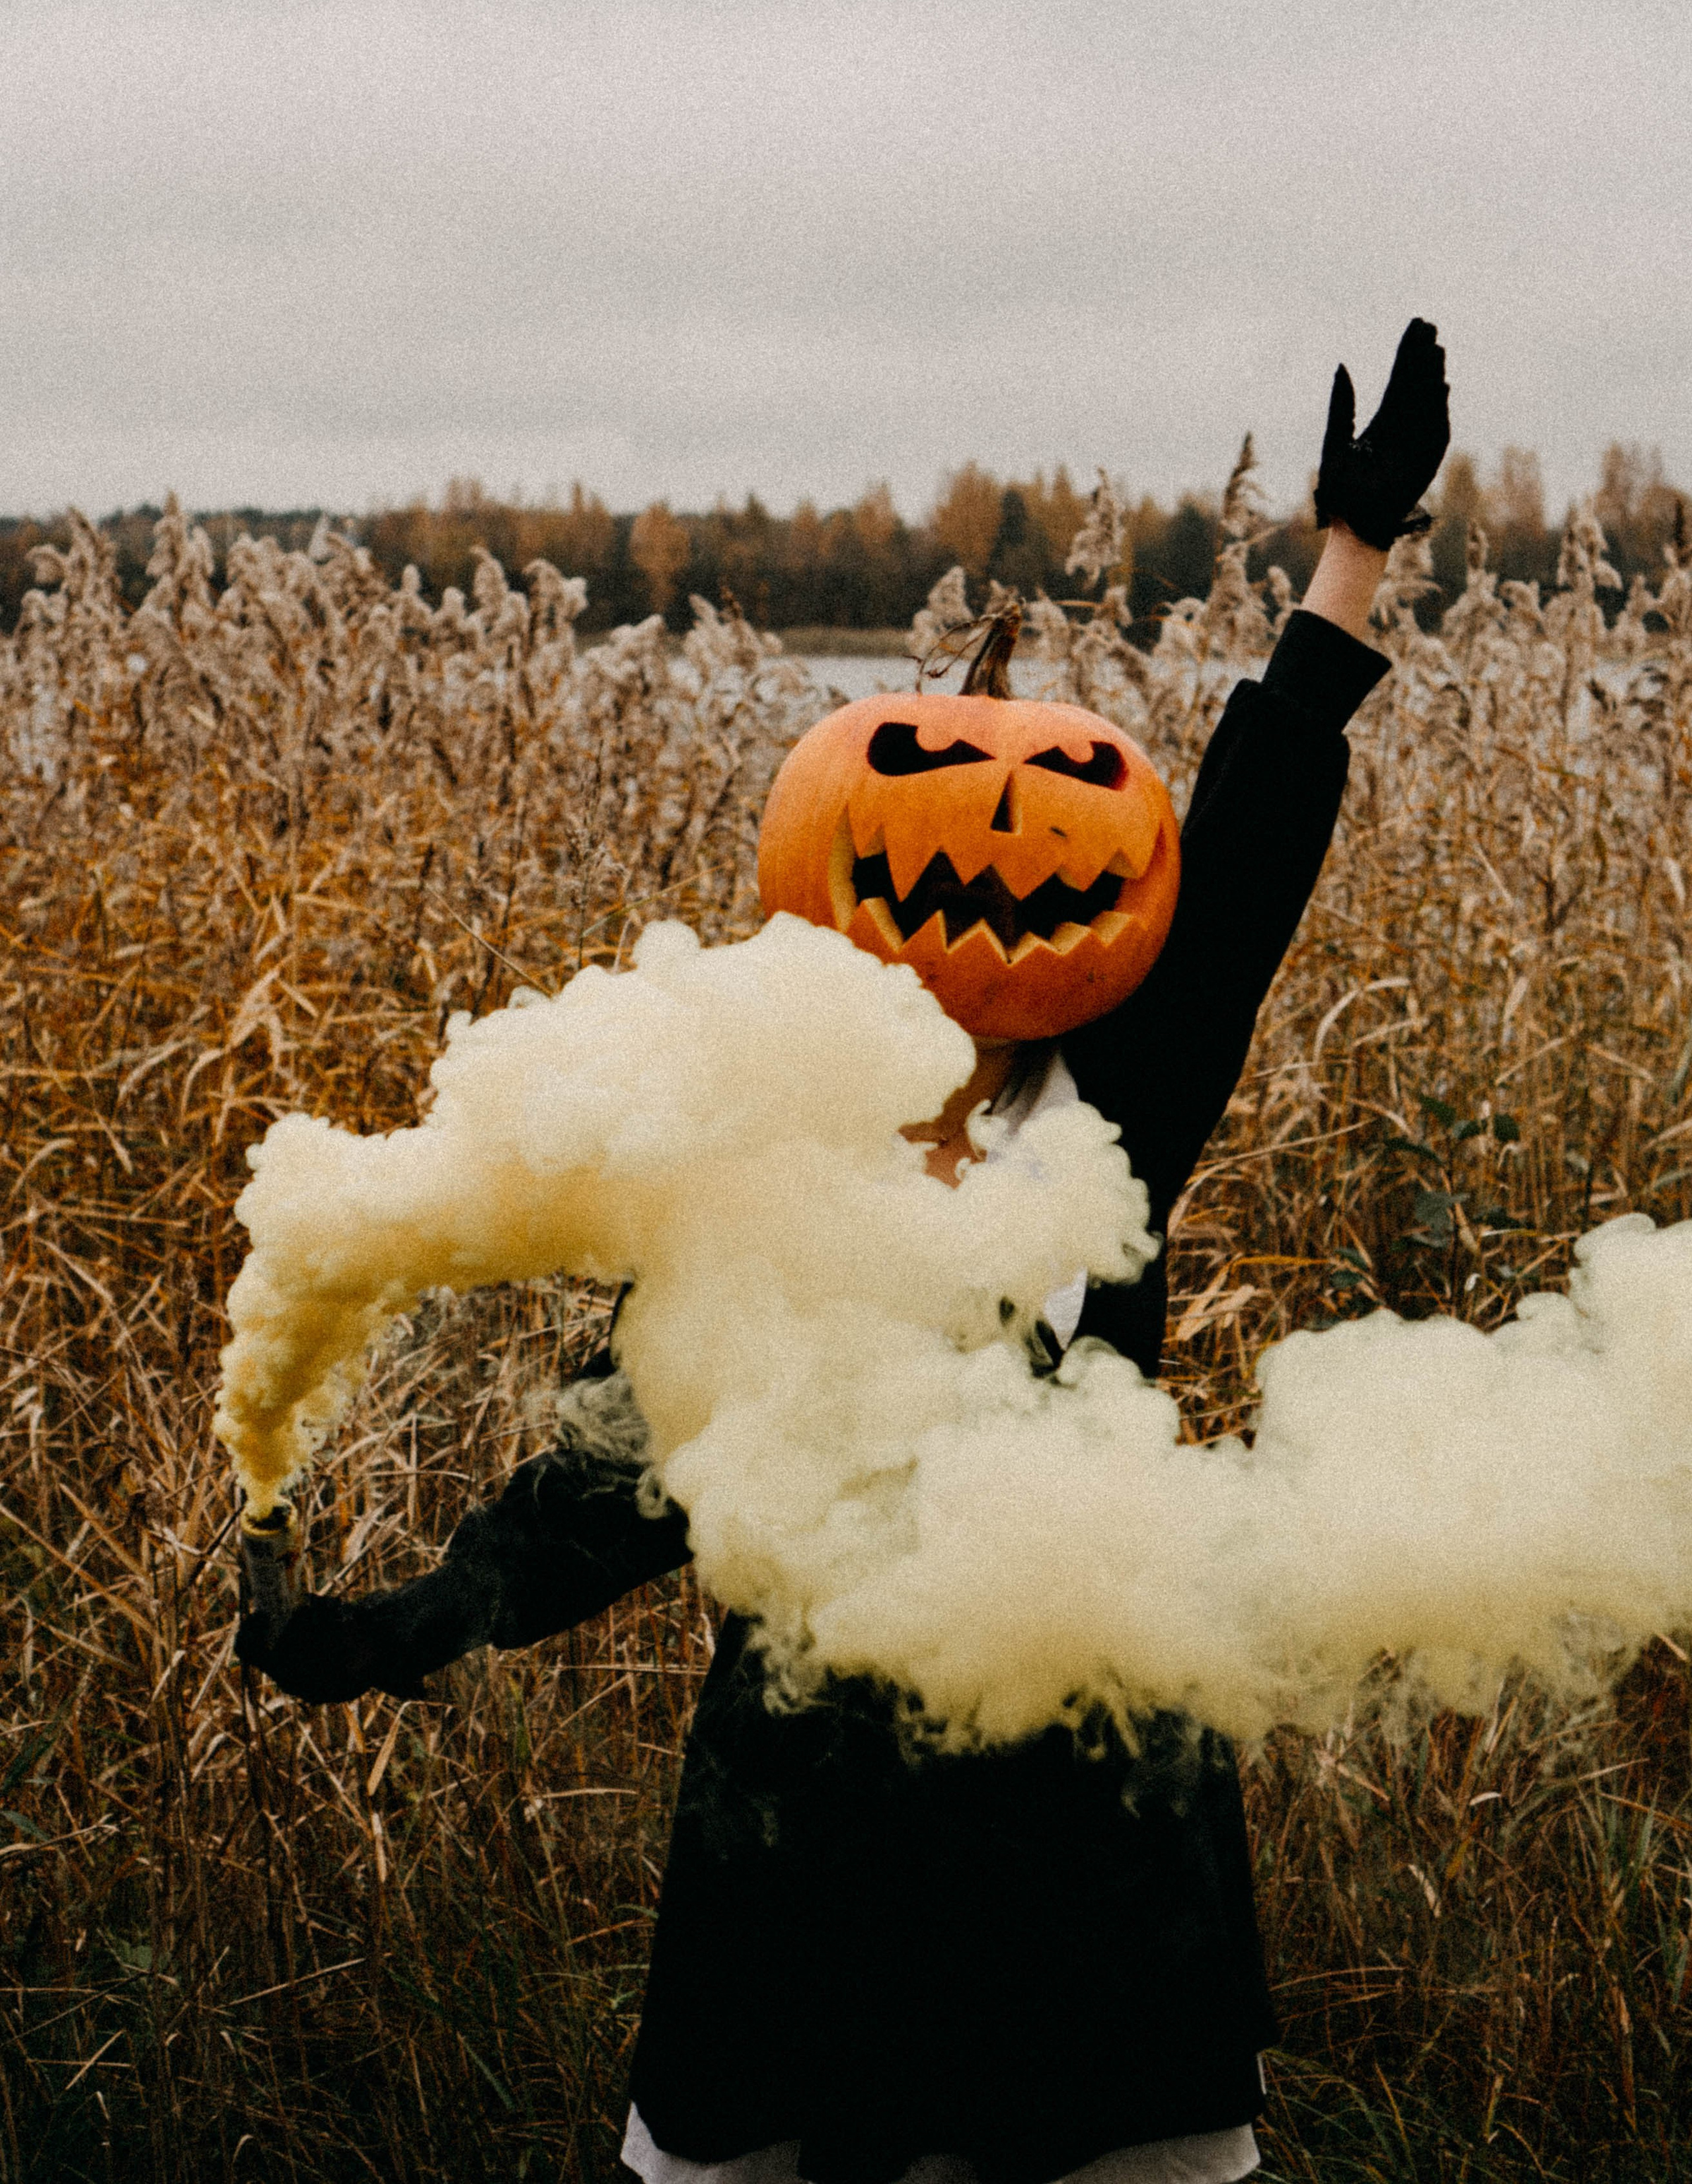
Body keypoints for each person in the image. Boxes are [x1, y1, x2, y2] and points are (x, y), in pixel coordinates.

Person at [236, 324, 1451, 2184]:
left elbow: (1258, 832)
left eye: (1054, 822)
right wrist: (416, 1620)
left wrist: (1351, 557)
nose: (993, 870)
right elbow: (624, 1463)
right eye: (931, 815)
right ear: (841, 894)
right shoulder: (757, 1147)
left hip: (1098, 1841)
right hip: (807, 1844)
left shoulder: (1120, 1112)